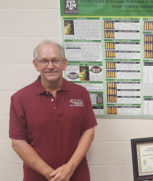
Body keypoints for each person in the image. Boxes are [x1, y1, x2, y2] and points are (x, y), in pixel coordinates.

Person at [9, 40, 97, 181]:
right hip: (37, 177)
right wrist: (51, 174)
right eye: (44, 61)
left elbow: (89, 131)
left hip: (76, 175)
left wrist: (70, 167)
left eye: (55, 60)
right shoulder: (20, 98)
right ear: (36, 65)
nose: (50, 66)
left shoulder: (81, 93)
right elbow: (18, 143)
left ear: (64, 64)